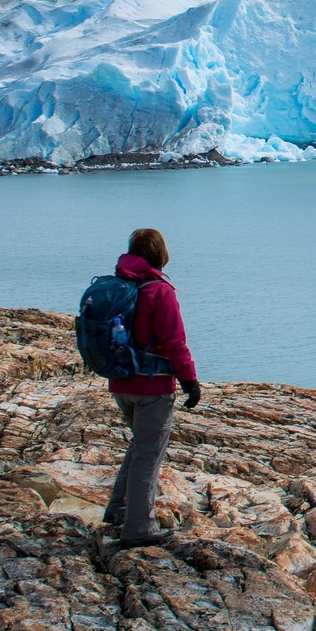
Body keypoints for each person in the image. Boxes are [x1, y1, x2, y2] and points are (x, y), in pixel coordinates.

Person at [101, 227, 201, 549]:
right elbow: (174, 342)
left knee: (140, 446)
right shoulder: (160, 291)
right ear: (160, 253)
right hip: (152, 386)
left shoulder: (120, 285)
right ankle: (138, 529)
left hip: (120, 383)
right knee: (148, 453)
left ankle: (118, 511)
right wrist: (190, 382)